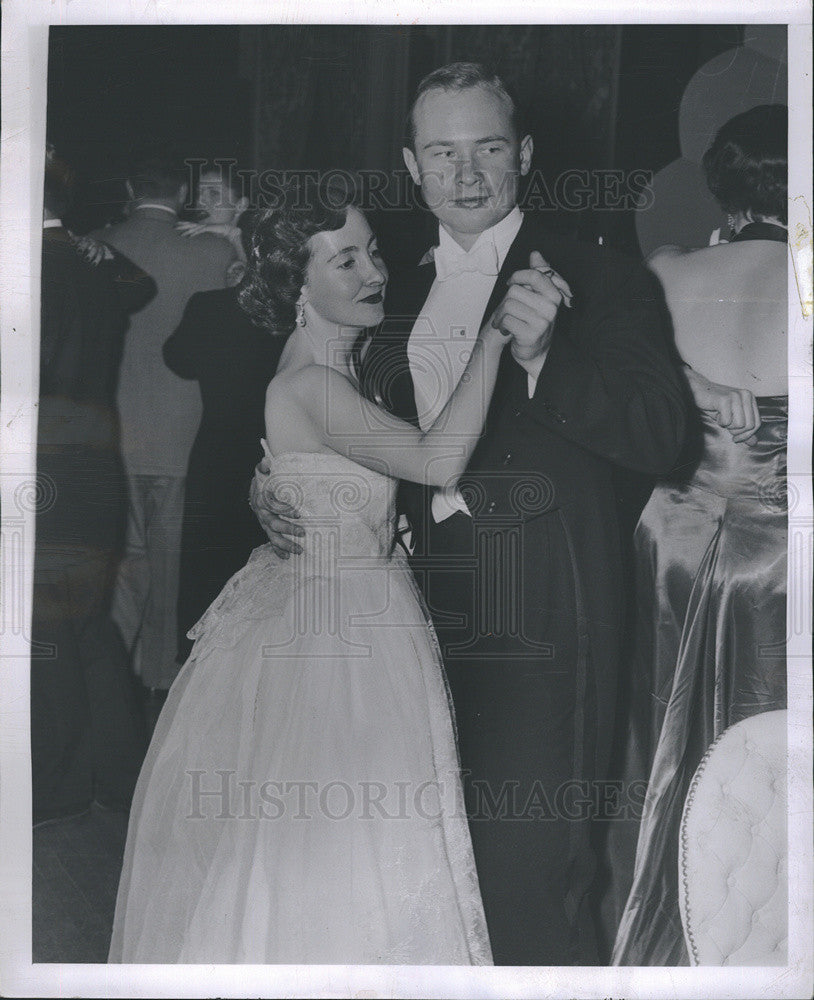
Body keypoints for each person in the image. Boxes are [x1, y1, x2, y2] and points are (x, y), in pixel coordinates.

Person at [252, 62, 689, 965]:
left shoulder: (599, 276)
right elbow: (324, 419)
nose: (466, 173)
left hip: (538, 632)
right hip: (400, 634)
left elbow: (663, 437)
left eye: (487, 147)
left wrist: (543, 362)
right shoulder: (382, 288)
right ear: (413, 168)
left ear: (522, 155)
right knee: (416, 885)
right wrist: (271, 488)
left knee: (528, 884)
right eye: (442, 153)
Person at [107, 194, 534, 963]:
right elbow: (436, 460)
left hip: (343, 603)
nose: (375, 272)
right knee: (347, 860)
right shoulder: (311, 383)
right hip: (344, 638)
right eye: (346, 261)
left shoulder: (331, 366)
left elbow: (321, 475)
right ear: (295, 284)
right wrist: (496, 343)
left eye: (373, 251)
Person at [612, 104, 789, 965]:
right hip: (779, 543)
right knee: (768, 736)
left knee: (662, 731)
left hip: (670, 531)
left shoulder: (668, 269)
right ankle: (754, 937)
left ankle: (654, 916)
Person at [33, 148, 154, 824]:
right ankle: (122, 774)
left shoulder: (34, 273)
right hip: (95, 471)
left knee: (46, 630)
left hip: (40, 474)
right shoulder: (87, 261)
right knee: (86, 629)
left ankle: (55, 784)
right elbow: (142, 287)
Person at [92, 154, 237, 693]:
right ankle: (165, 683)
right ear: (185, 194)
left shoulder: (98, 244)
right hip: (188, 435)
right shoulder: (214, 252)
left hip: (119, 431)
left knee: (124, 567)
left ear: (131, 185)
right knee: (174, 568)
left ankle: (119, 683)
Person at [163, 211, 288, 665]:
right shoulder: (291, 313)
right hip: (275, 453)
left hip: (215, 454)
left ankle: (200, 676)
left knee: (206, 571)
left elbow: (177, 360)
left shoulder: (208, 305)